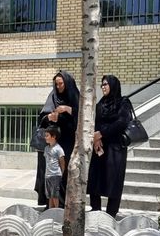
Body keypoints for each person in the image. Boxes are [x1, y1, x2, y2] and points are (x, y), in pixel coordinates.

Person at [87, 75, 132, 217]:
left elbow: (122, 122)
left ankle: (111, 215)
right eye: (102, 85)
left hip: (115, 148)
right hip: (99, 147)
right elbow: (94, 121)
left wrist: (102, 133)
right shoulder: (100, 104)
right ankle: (96, 212)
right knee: (95, 180)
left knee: (114, 181)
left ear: (113, 85)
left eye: (105, 84)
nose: (103, 87)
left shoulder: (123, 102)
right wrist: (95, 138)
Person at [34, 70, 79, 208]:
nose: (58, 87)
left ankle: (63, 207)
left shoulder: (75, 97)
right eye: (56, 84)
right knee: (49, 175)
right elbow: (41, 120)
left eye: (61, 84)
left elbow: (81, 118)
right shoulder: (52, 97)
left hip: (67, 143)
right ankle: (51, 207)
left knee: (63, 174)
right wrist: (49, 118)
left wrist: (66, 110)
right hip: (51, 144)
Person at [43, 126, 66, 209]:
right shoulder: (46, 148)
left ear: (53, 136)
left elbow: (62, 162)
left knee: (55, 195)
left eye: (47, 135)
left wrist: (61, 173)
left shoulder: (58, 149)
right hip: (48, 175)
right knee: (50, 196)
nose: (45, 137)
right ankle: (50, 210)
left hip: (55, 175)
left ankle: (56, 211)